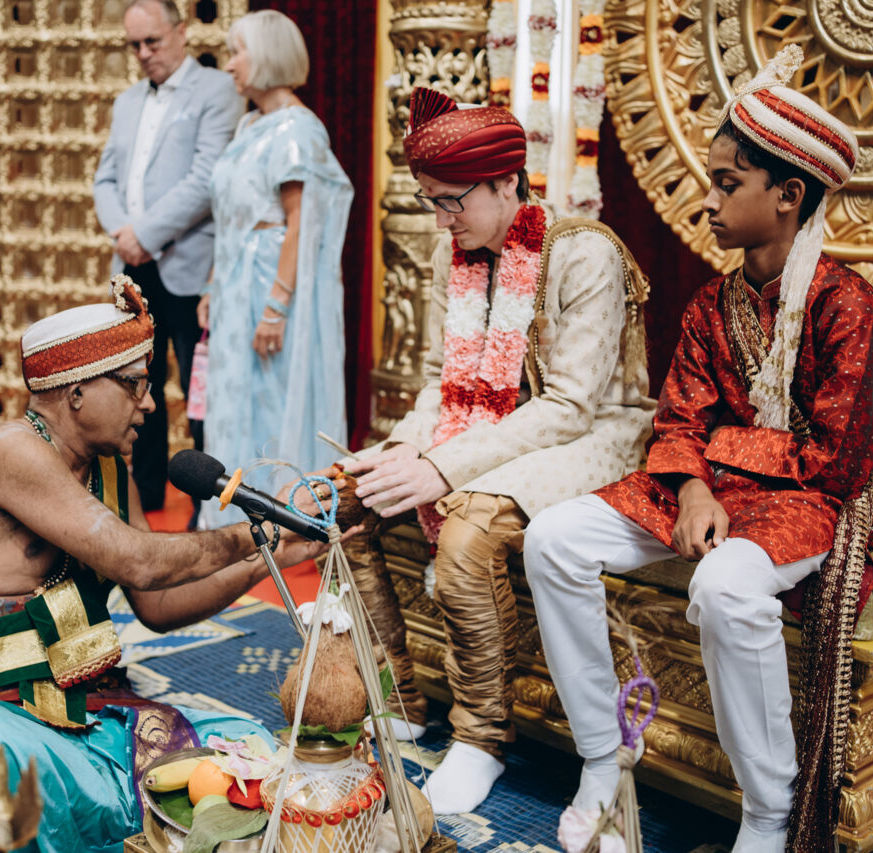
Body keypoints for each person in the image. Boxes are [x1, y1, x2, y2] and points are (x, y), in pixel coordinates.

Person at [522, 46, 873, 853]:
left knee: (726, 586)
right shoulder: (709, 304)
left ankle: (767, 811)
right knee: (552, 537)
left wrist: (716, 458)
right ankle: (602, 757)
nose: (707, 200)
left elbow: (834, 461)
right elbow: (677, 420)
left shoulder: (852, 309)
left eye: (727, 183)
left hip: (810, 503)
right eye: (711, 180)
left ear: (789, 194)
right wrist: (695, 487)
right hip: (712, 489)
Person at [0, 275, 333, 853]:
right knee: (9, 765)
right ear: (76, 392)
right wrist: (256, 531)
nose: (150, 403)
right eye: (136, 384)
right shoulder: (8, 451)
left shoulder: (110, 473)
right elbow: (140, 563)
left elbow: (158, 605)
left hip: (82, 701)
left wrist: (268, 559)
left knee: (245, 748)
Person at [341, 87, 655, 815]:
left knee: (469, 528)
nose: (442, 220)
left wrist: (442, 467)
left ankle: (481, 736)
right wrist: (403, 450)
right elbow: (437, 381)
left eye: (452, 201)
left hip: (597, 433)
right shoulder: (453, 253)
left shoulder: (584, 253)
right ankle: (400, 693)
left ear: (508, 183)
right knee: (352, 495)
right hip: (499, 432)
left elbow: (570, 406)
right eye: (431, 202)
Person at [196, 10, 353, 527]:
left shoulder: (298, 129)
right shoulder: (250, 124)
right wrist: (214, 285)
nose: (230, 64)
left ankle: (280, 516)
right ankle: (232, 514)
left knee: (269, 398)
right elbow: (231, 217)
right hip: (237, 282)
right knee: (235, 397)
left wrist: (277, 306)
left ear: (266, 56)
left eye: (237, 52)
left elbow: (300, 222)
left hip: (268, 284)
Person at [93, 0, 244, 512]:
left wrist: (146, 233)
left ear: (181, 32)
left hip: (191, 264)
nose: (143, 53)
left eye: (152, 41)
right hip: (133, 265)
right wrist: (123, 232)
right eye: (134, 44)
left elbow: (207, 178)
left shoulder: (217, 90)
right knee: (136, 385)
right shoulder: (127, 101)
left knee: (199, 391)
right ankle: (145, 498)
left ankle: (207, 504)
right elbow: (104, 178)